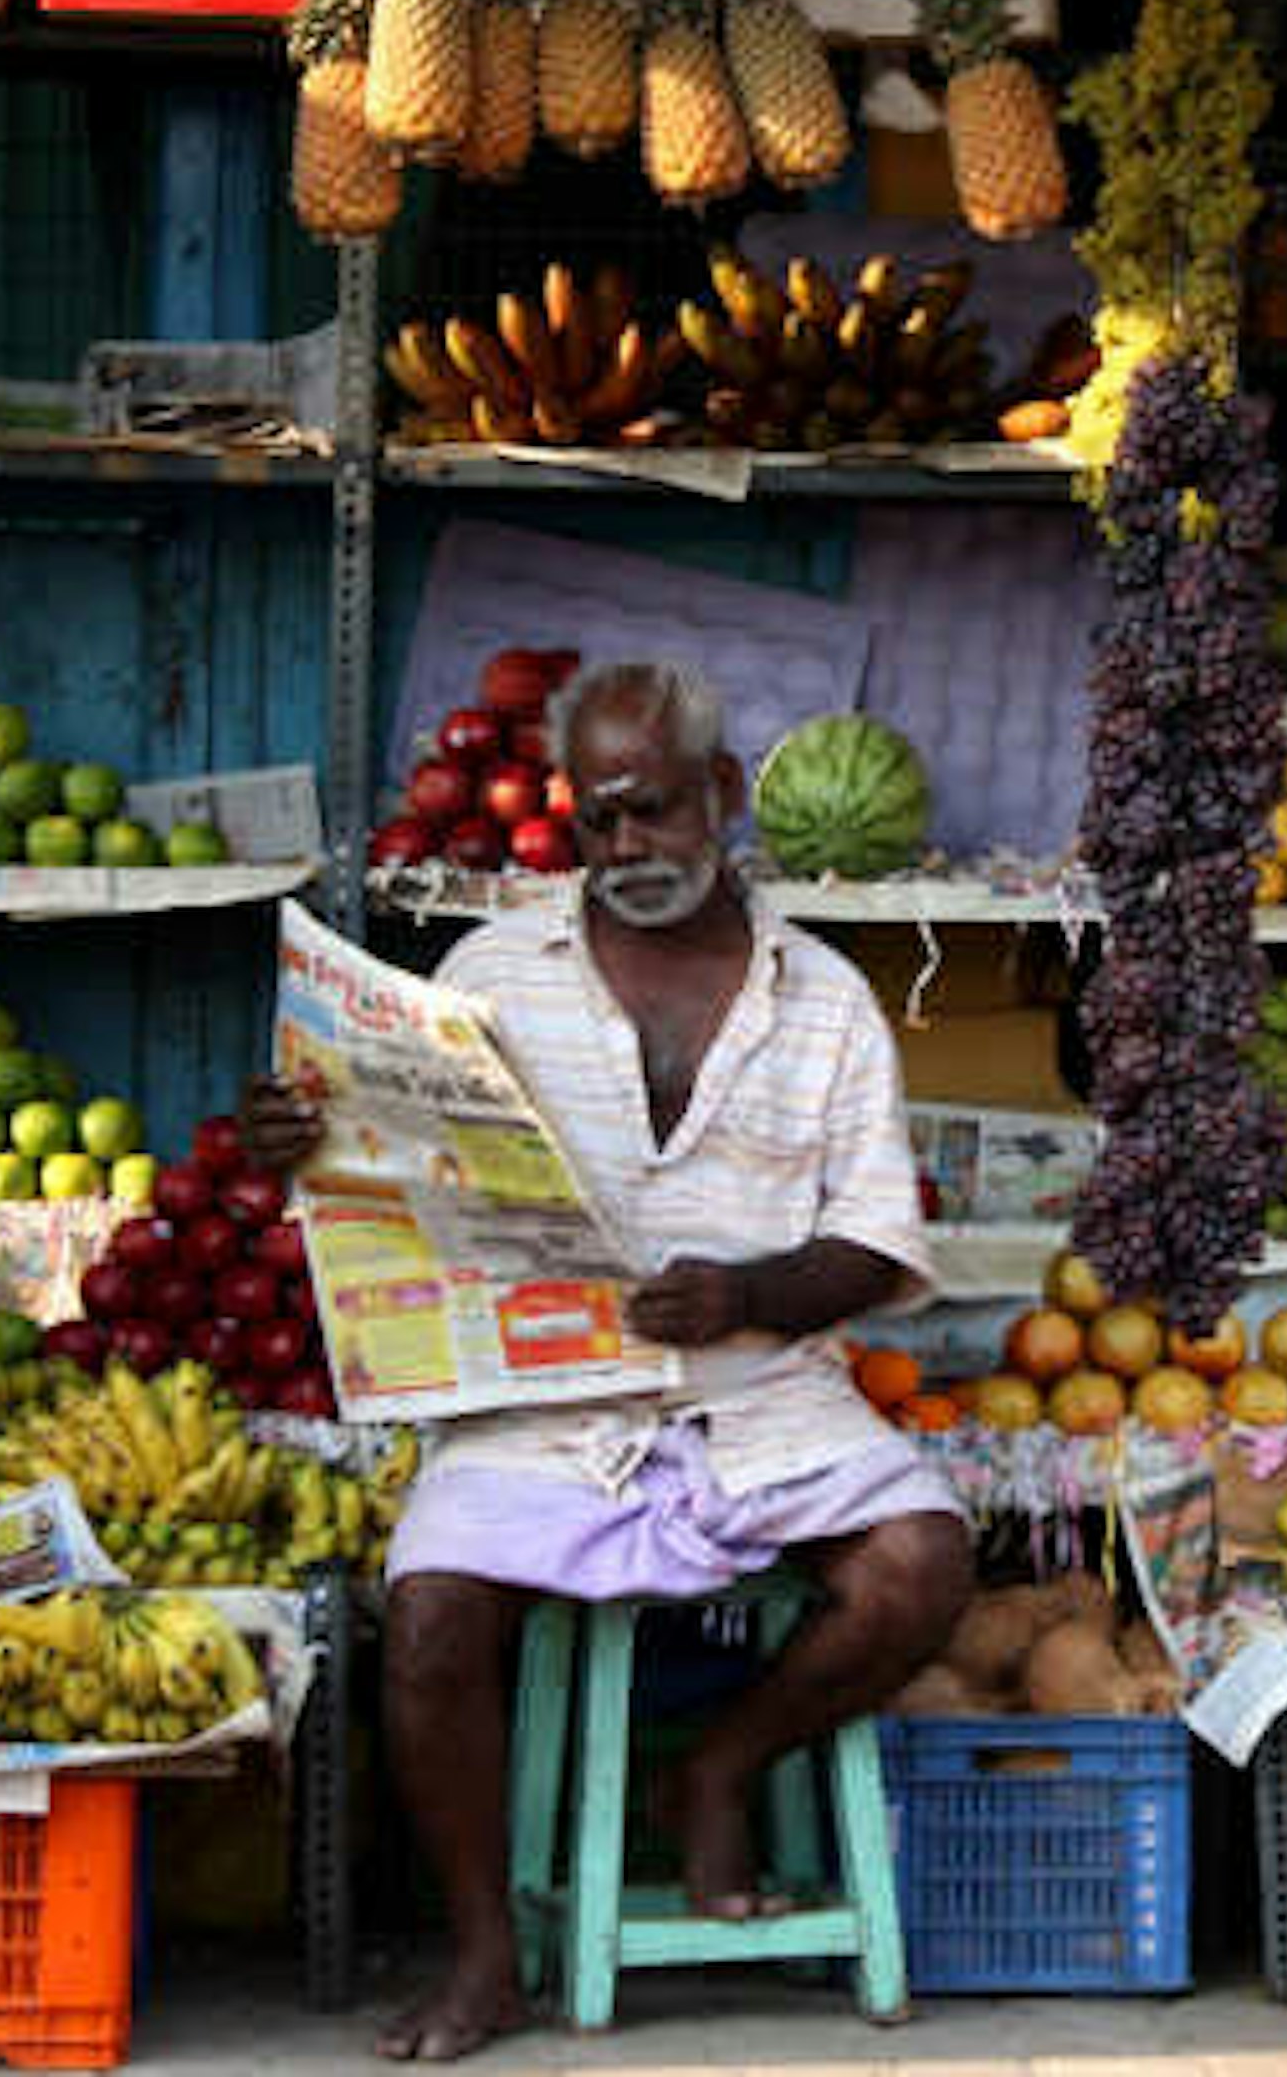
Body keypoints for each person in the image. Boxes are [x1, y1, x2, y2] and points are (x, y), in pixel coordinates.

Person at [239, 660, 970, 2064]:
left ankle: (721, 1765)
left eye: (653, 814)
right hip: (543, 1405)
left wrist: (751, 1290)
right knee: (434, 1612)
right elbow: (400, 1178)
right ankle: (486, 1956)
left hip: (761, 1393)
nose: (627, 850)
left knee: (923, 1565)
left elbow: (875, 1245)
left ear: (726, 796)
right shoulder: (493, 973)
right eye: (598, 823)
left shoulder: (821, 998)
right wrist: (308, 1143)